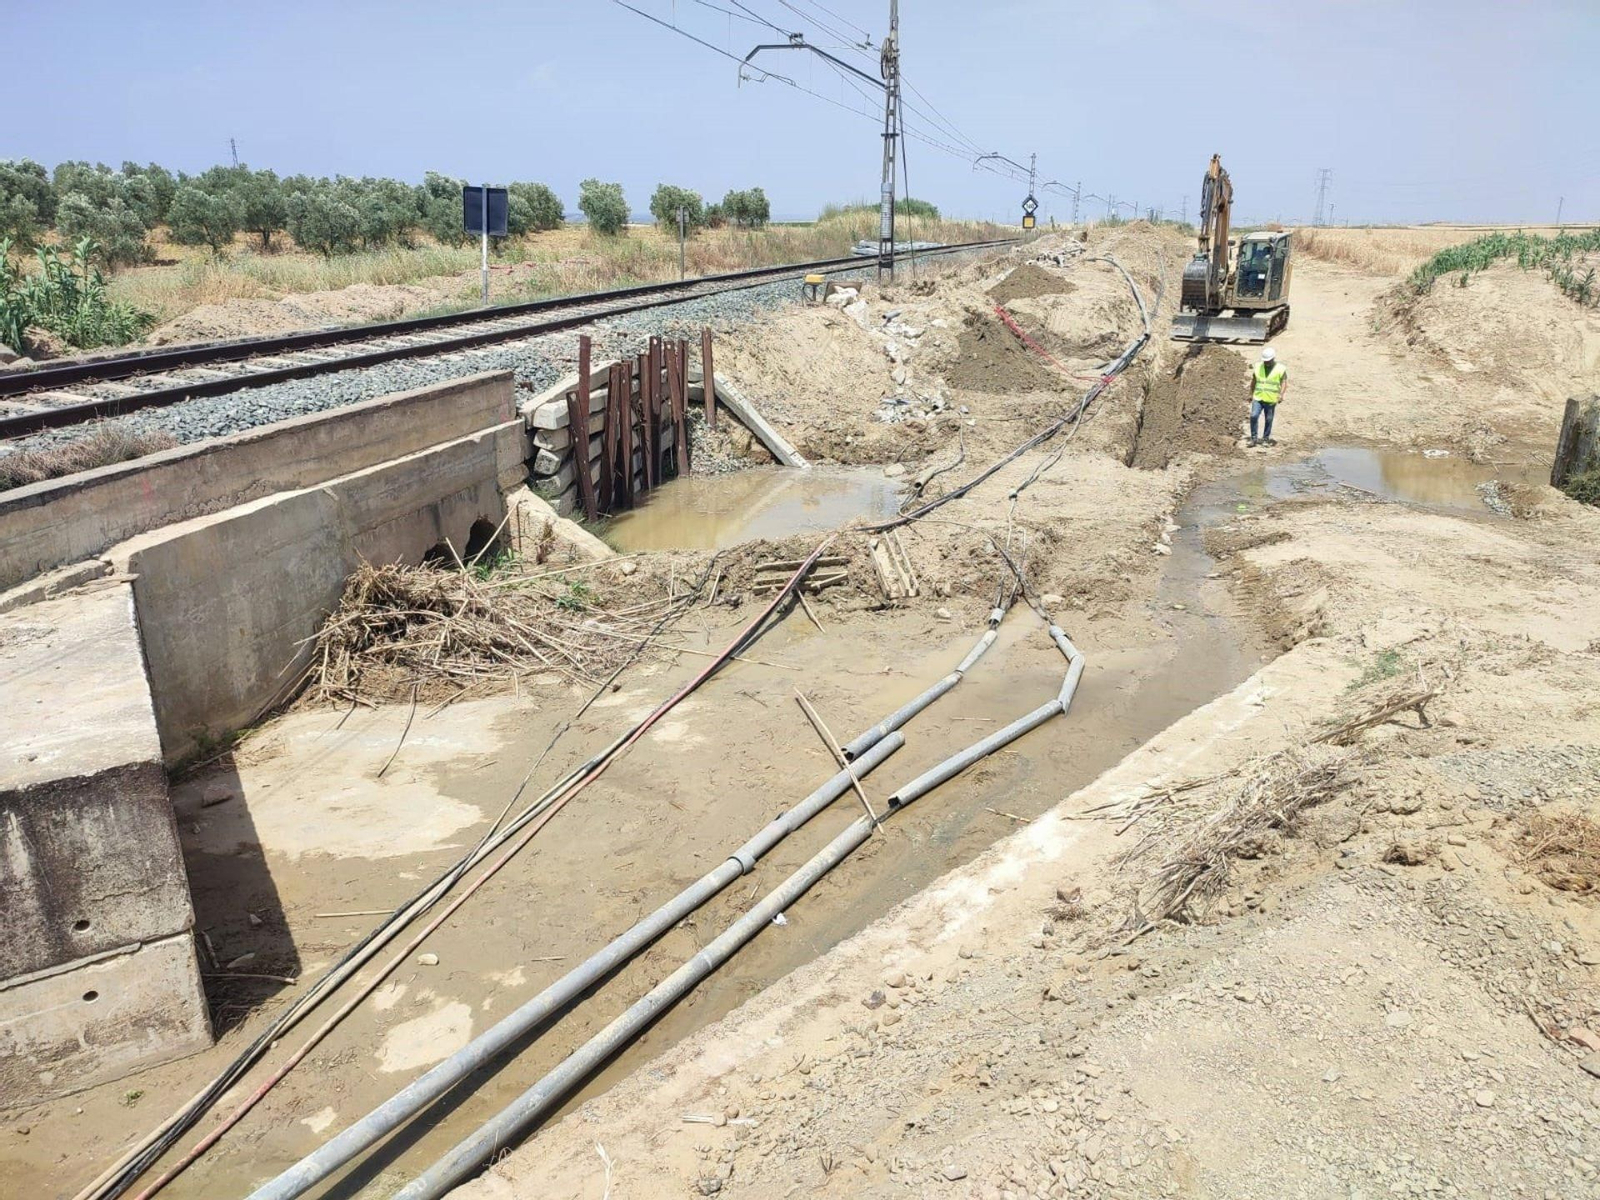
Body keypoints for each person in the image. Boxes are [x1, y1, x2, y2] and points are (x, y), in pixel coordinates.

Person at [1248, 346, 1287, 446]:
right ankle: (1254, 438)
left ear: (1273, 359)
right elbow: (1254, 381)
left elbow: (1284, 382)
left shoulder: (1280, 369)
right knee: (1253, 416)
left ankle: (1265, 438)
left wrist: (1281, 395)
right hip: (1258, 397)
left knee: (1268, 419)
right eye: (1265, 361)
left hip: (1270, 399)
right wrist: (1250, 393)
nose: (1266, 363)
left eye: (1268, 361)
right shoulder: (1258, 367)